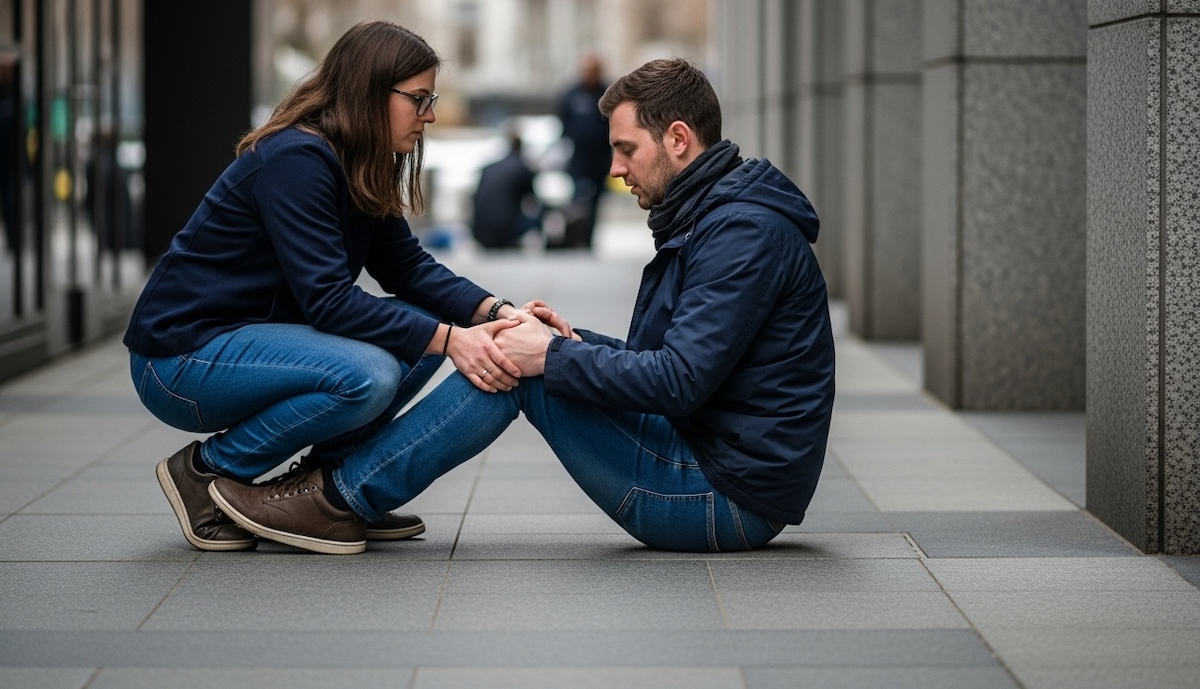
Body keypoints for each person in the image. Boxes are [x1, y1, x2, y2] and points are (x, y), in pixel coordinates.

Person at [209, 57, 836, 555]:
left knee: (514, 371)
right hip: (713, 464)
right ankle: (338, 487)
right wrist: (573, 341)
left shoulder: (740, 234)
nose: (614, 169)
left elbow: (677, 381)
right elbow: (676, 367)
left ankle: (336, 499)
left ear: (677, 138)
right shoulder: (715, 219)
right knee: (520, 350)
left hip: (720, 499)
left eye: (625, 149)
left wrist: (552, 357)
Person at [124, 20, 526, 554]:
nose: (429, 115)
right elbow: (329, 300)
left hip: (241, 343)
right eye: (419, 99)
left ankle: (321, 485)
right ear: (369, 92)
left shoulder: (357, 159)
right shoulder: (297, 159)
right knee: (372, 372)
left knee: (415, 326)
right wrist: (454, 339)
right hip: (179, 359)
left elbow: (407, 268)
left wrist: (496, 312)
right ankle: (207, 471)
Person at [555, 51, 610, 249]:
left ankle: (588, 240)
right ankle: (574, 239)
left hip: (600, 161)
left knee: (595, 203)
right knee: (577, 202)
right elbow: (563, 123)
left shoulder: (608, 93)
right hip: (578, 161)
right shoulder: (571, 94)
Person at [469, 125, 541, 250]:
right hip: (504, 232)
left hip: (479, 231)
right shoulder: (522, 167)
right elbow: (533, 200)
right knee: (539, 215)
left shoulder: (490, 168)